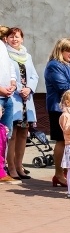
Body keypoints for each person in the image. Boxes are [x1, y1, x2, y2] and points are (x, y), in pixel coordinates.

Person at [44, 38, 70, 187]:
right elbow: (63, 87)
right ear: (60, 51)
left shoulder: (69, 63)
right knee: (61, 141)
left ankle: (68, 173)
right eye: (69, 50)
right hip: (58, 108)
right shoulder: (54, 65)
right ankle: (59, 174)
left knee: (69, 142)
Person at [5, 27, 37, 180]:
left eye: (17, 37)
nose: (14, 39)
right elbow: (7, 76)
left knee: (24, 134)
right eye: (11, 37)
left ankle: (19, 165)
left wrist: (29, 88)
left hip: (27, 100)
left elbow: (34, 75)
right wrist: (19, 89)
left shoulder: (27, 56)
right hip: (14, 97)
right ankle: (10, 167)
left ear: (22, 39)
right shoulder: (5, 55)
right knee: (13, 134)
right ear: (6, 39)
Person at [0, 27, 16, 160]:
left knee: (6, 133)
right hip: (1, 95)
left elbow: (10, 68)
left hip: (7, 97)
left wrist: (13, 83)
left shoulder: (4, 47)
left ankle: (2, 169)